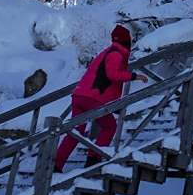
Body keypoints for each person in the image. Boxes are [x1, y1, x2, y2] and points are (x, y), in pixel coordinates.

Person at [53, 26, 141, 173]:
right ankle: (94, 159)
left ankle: (56, 165)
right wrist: (133, 76)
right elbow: (113, 74)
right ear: (127, 41)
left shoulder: (106, 52)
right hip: (93, 98)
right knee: (109, 126)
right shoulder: (116, 54)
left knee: (76, 132)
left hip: (80, 95)